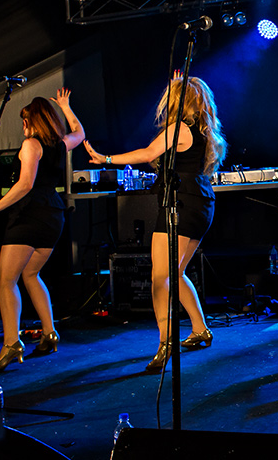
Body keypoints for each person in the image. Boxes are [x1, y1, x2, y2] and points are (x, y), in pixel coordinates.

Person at [83, 73, 226, 373]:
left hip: (181, 204)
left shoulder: (179, 129)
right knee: (175, 273)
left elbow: (147, 153)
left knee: (160, 278)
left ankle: (165, 342)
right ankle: (200, 329)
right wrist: (181, 83)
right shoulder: (202, 131)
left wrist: (105, 159)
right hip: (200, 203)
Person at [0, 88, 85, 372]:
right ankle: (49, 333)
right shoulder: (59, 144)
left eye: (25, 120)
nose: (23, 126)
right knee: (31, 274)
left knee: (7, 280)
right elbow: (79, 133)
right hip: (53, 215)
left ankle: (11, 343)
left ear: (33, 121)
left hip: (30, 214)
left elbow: (25, 184)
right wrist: (66, 107)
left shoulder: (32, 145)